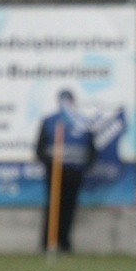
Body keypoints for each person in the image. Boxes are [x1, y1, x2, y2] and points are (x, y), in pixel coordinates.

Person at [36, 89, 96, 254]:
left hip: (74, 172)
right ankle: (48, 243)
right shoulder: (49, 122)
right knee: (53, 207)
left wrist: (85, 166)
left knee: (69, 208)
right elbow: (40, 149)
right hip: (54, 172)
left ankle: (64, 243)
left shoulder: (83, 122)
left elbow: (91, 149)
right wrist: (51, 164)